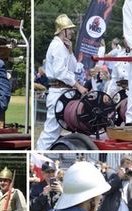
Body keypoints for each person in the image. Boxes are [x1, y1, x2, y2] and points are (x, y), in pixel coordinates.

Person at [36, 14, 88, 150]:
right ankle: (39, 153)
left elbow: (74, 67)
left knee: (57, 130)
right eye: (69, 29)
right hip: (59, 92)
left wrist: (70, 50)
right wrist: (78, 86)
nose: (71, 31)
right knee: (51, 132)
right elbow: (61, 72)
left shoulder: (63, 47)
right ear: (62, 30)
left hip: (64, 92)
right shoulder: (57, 46)